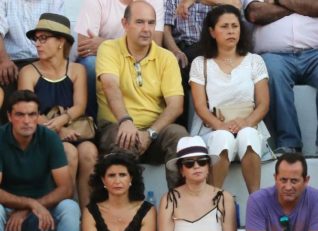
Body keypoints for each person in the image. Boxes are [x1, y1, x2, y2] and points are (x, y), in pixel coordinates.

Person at [96, 0, 188, 188]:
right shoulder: (109, 49)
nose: (147, 29)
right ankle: (129, 208)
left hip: (153, 133)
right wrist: (125, 121)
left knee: (179, 136)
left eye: (151, 23)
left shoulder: (166, 57)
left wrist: (151, 133)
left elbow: (176, 105)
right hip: (117, 126)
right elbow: (110, 86)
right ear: (125, 24)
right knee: (125, 139)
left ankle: (178, 205)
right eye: (139, 22)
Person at [0, 90, 80, 231]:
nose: (27, 121)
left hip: (41, 216)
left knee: (70, 208)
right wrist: (29, 203)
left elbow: (65, 188)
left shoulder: (49, 138)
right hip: (7, 215)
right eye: (20, 115)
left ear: (38, 116)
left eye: (32, 114)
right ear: (9, 116)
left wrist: (29, 209)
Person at [18, 13, 98, 210]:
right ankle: (64, 210)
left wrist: (63, 120)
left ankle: (88, 214)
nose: (37, 44)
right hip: (40, 133)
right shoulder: (28, 72)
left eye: (43, 38)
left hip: (73, 127)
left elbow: (80, 105)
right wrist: (59, 131)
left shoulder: (77, 70)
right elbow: (27, 112)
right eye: (36, 39)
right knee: (68, 152)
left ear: (61, 41)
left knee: (89, 151)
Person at [189, 5, 269, 194]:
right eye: (224, 26)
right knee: (224, 137)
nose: (231, 31)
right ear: (212, 32)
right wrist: (220, 125)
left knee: (247, 135)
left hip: (250, 125)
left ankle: (255, 201)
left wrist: (246, 122)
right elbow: (200, 106)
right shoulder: (201, 64)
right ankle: (213, 200)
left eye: (235, 25)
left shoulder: (254, 61)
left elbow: (264, 103)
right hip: (212, 128)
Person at [243, 0, 318, 154]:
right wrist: (300, 6)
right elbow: (255, 13)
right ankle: (289, 144)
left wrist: (278, 2)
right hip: (275, 55)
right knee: (270, 70)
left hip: (314, 53)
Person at [75, 0, 164, 120]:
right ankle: (91, 121)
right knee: (91, 64)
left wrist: (104, 43)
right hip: (105, 60)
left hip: (138, 57)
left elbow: (156, 43)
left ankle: (146, 120)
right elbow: (84, 46)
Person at [164, 0, 242, 128]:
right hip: (184, 48)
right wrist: (175, 51)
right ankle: (180, 129)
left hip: (214, 47)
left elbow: (236, 6)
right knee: (177, 65)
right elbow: (166, 31)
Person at [0, 0, 64, 123]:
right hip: (11, 62)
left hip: (44, 60)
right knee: (6, 90)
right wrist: (3, 60)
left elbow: (59, 35)